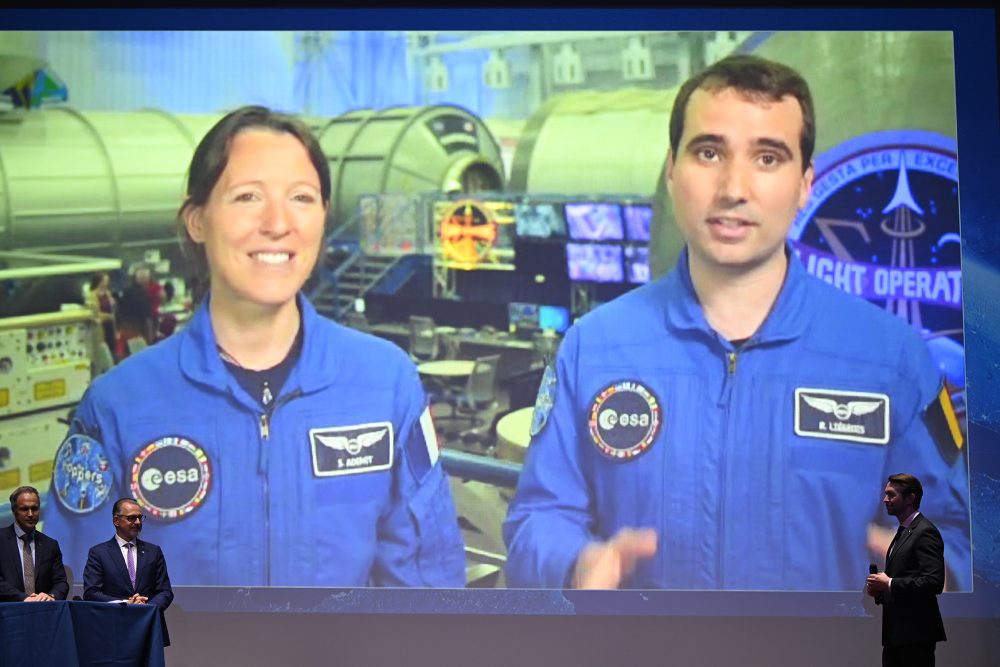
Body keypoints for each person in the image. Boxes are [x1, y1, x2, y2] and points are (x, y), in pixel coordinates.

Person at [503, 55, 971, 591]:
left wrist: (933, 569)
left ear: (804, 183)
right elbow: (538, 518)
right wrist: (573, 564)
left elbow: (954, 534)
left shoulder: (892, 360)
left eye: (768, 158)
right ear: (672, 168)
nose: (733, 188)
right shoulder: (594, 348)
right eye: (709, 151)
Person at [45, 105, 466, 587]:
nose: (278, 223)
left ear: (324, 217)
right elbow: (80, 598)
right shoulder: (119, 407)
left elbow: (426, 581)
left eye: (302, 198)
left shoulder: (385, 383)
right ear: (196, 220)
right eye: (248, 196)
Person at [866, 474, 947, 666]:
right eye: (886, 494)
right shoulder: (903, 531)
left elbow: (933, 581)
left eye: (891, 495)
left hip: (915, 636)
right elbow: (906, 578)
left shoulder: (925, 531)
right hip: (897, 636)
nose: (885, 500)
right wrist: (881, 591)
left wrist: (890, 583)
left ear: (910, 498)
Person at [83, 498, 173, 646]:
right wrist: (126, 604)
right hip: (112, 629)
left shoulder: (153, 551)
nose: (137, 522)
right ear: (116, 521)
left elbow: (165, 591)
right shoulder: (99, 553)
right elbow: (91, 592)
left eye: (140, 517)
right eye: (131, 518)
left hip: (148, 628)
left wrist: (147, 607)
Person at [0, 486, 68, 602]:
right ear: (14, 510)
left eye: (35, 508)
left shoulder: (50, 545)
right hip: (7, 613)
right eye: (24, 509)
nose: (30, 514)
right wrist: (24, 598)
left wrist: (51, 596)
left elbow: (61, 583)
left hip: (41, 613)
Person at [86, 271, 118, 354]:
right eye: (105, 281)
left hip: (110, 326)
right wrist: (108, 316)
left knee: (113, 350)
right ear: (99, 282)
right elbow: (94, 313)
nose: (107, 283)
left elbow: (113, 308)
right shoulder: (91, 295)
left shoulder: (108, 293)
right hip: (100, 327)